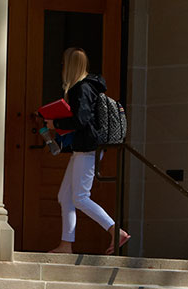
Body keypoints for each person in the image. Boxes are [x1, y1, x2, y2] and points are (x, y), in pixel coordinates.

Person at [44, 47, 130, 255]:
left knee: (80, 197)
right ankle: (66, 245)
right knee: (66, 196)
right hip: (84, 149)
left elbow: (80, 120)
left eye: (64, 63)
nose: (62, 67)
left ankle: (115, 230)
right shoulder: (88, 87)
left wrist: (54, 123)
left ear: (71, 65)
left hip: (87, 148)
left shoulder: (81, 89)